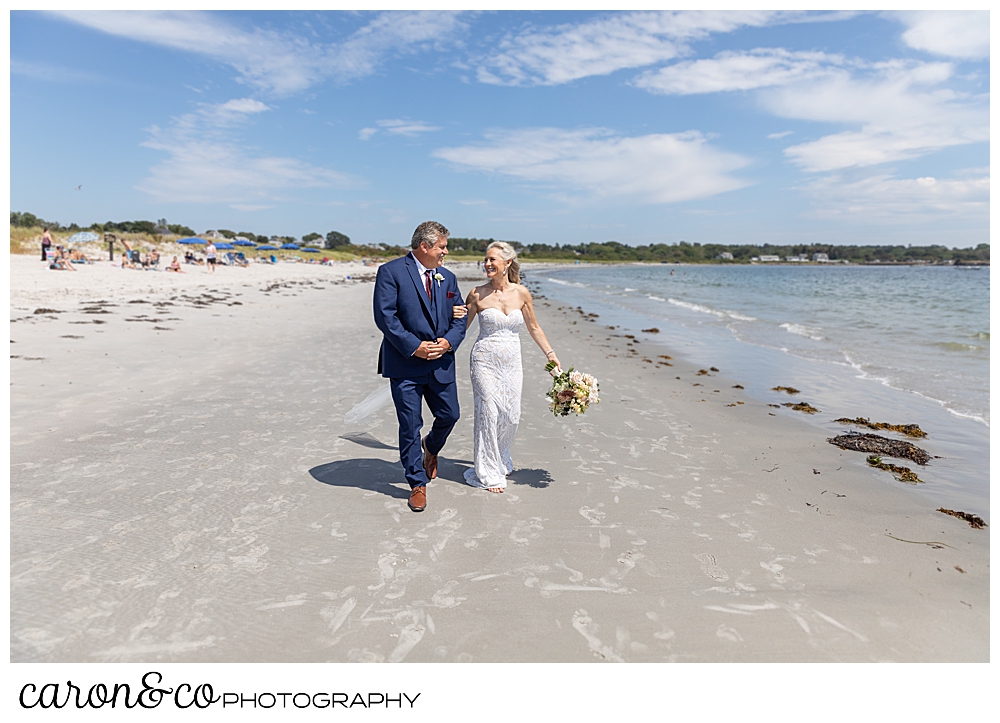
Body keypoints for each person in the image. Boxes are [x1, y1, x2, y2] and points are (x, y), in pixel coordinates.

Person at [373, 221, 467, 512]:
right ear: (424, 247)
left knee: (450, 415)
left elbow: (460, 317)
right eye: (442, 247)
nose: (446, 252)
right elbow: (385, 317)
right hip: (405, 363)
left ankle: (432, 448)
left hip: (441, 363)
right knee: (410, 425)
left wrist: (448, 342)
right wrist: (416, 346)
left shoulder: (447, 278)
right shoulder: (390, 272)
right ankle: (416, 483)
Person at [453, 241, 561, 493]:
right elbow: (461, 329)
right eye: (486, 259)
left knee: (511, 415)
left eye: (493, 260)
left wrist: (550, 353)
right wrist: (443, 342)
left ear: (507, 263)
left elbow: (534, 327)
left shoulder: (521, 293)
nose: (487, 264)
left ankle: (501, 456)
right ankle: (488, 472)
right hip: (484, 360)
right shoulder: (476, 293)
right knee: (488, 412)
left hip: (512, 362)